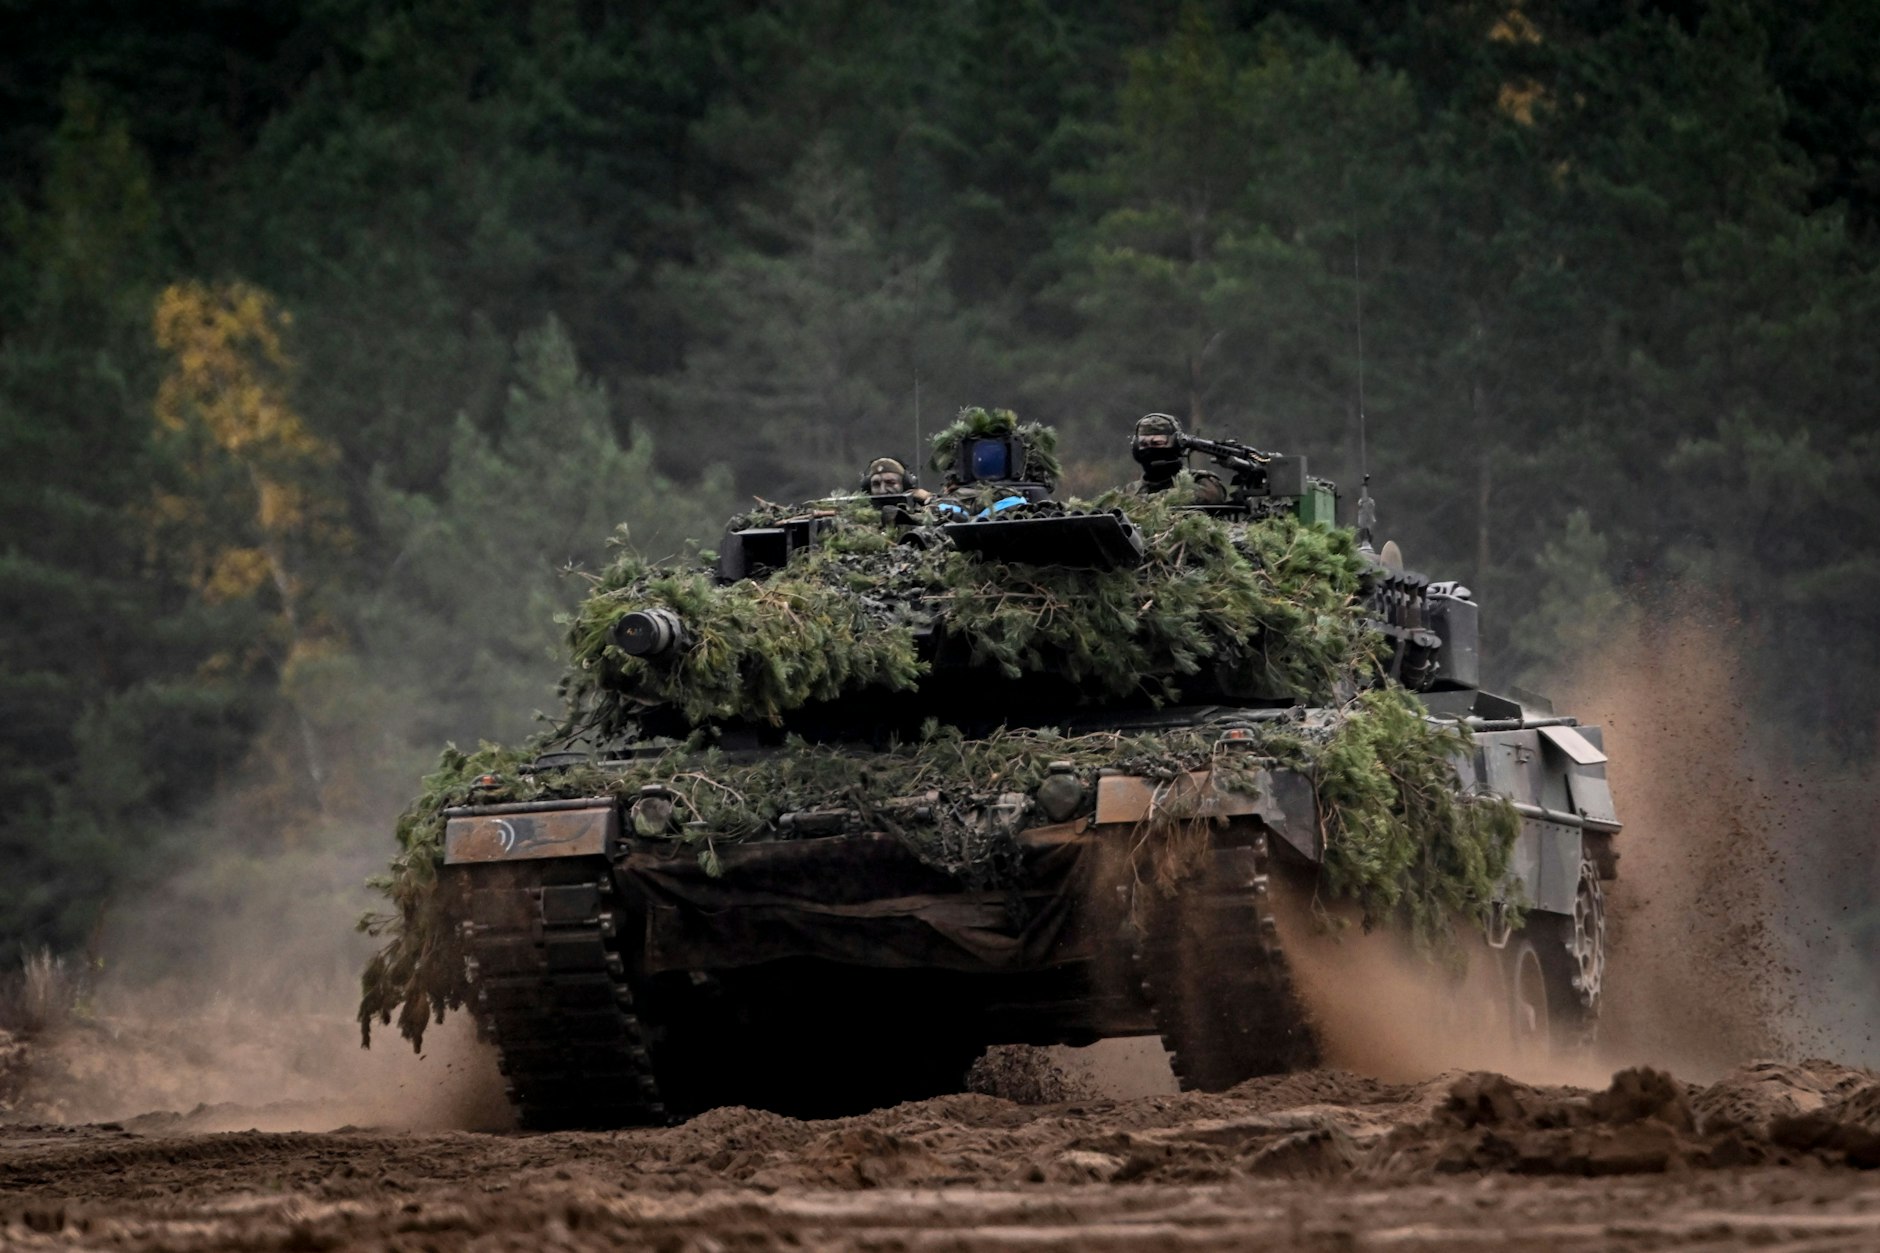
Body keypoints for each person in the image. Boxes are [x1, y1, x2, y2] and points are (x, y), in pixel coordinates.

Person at [1125, 413, 1226, 503]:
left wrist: (1145, 501)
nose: (1150, 449)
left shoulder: (1201, 482)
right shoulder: (1130, 491)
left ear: (1175, 445)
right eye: (1144, 444)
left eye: (1157, 443)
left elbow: (1212, 496)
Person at [863, 456, 930, 503]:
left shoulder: (919, 505)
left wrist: (930, 499)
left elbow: (941, 508)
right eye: (876, 484)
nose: (882, 491)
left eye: (890, 483)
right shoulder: (858, 510)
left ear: (905, 484)